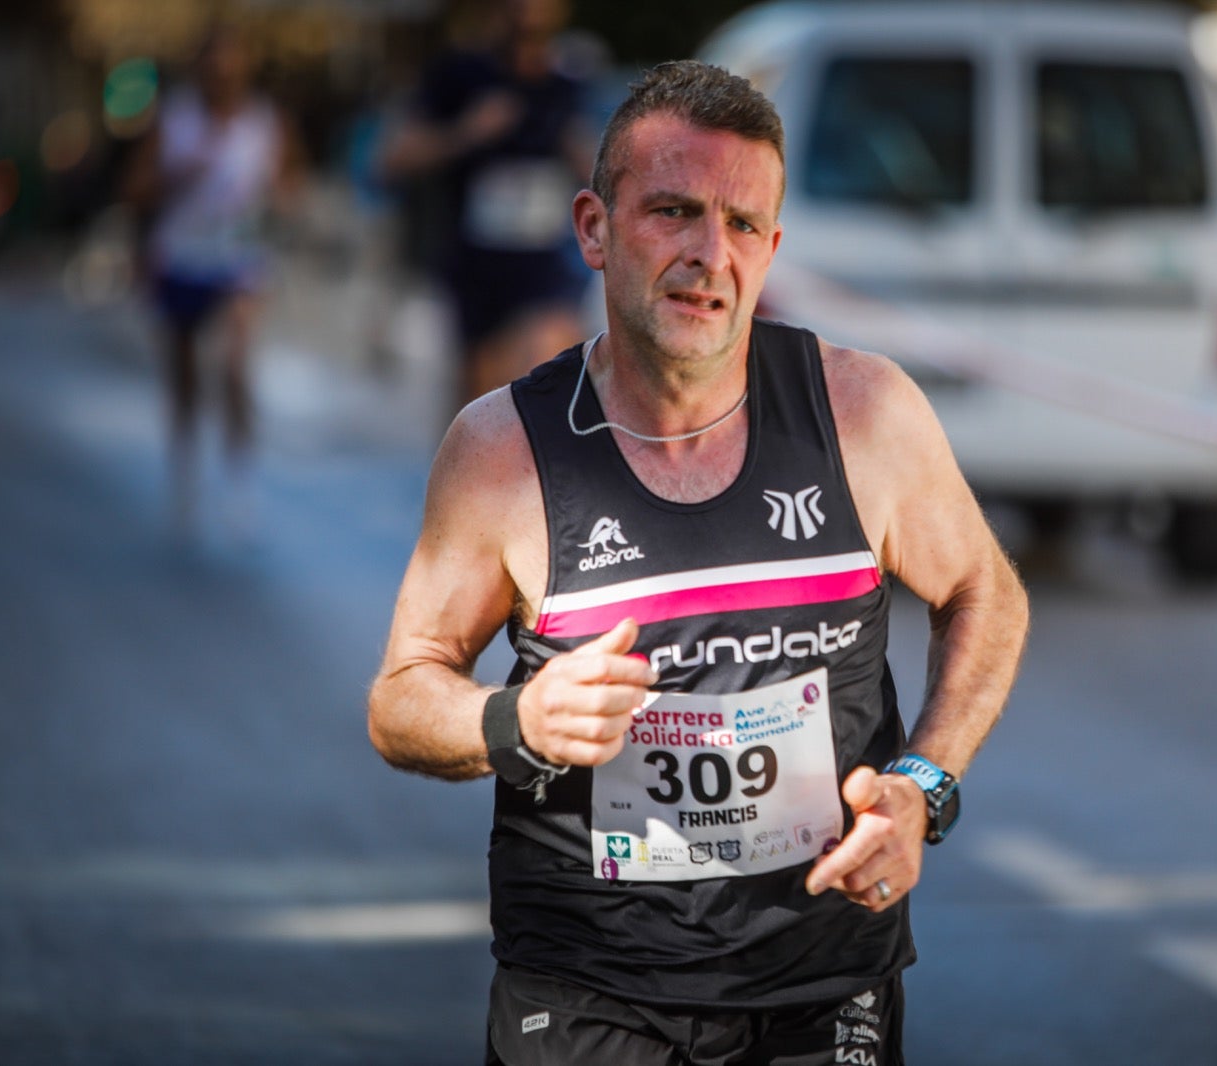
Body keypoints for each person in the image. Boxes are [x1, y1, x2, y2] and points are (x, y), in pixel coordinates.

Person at [368, 61, 1028, 1065]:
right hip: (586, 984)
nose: (708, 255)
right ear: (593, 227)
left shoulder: (863, 414)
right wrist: (517, 720)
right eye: (672, 212)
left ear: (772, 248)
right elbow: (400, 698)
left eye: (742, 224)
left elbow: (988, 590)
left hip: (822, 976)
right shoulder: (503, 448)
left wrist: (922, 782)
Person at [122, 26, 302, 534]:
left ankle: (240, 482)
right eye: (213, 67)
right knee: (185, 373)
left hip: (239, 261)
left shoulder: (266, 122)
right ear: (200, 69)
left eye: (232, 67)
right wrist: (178, 176)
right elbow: (133, 189)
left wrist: (284, 198)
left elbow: (291, 182)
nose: (222, 76)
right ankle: (185, 472)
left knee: (235, 364)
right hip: (181, 259)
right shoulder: (173, 121)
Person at [378, 0, 596, 411]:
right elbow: (392, 159)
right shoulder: (460, 74)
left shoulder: (567, 82)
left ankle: (544, 469)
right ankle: (462, 468)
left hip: (544, 262)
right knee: (480, 402)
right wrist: (466, 133)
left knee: (550, 369)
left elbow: (593, 166)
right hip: (476, 265)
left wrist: (585, 161)